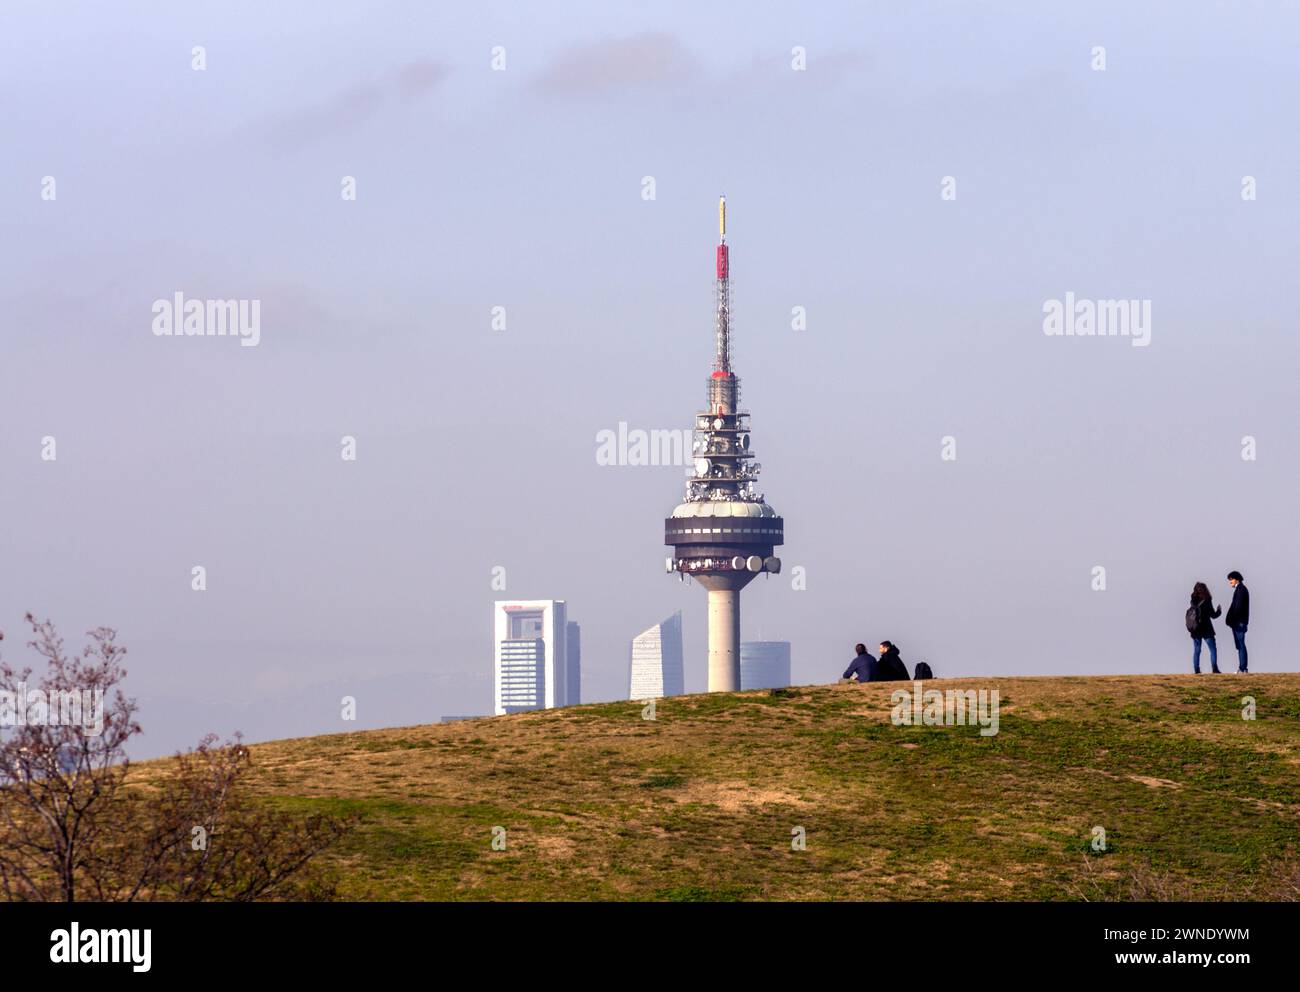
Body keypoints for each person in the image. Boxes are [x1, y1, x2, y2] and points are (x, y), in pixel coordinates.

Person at [1188, 581, 1221, 674]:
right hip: (1206, 628)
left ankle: (1196, 669)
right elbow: (1213, 615)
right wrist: (1219, 610)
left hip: (1196, 629)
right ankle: (1214, 668)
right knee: (1213, 649)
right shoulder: (1207, 599)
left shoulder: (1193, 600)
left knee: (1197, 650)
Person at [1225, 571, 1250, 672]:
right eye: (1229, 580)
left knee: (1241, 644)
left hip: (1239, 622)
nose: (1230, 582)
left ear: (1237, 579)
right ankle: (1242, 667)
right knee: (1240, 645)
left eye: (1231, 579)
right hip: (1239, 621)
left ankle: (1243, 668)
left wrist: (1233, 619)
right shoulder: (1240, 589)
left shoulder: (1241, 589)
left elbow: (1238, 607)